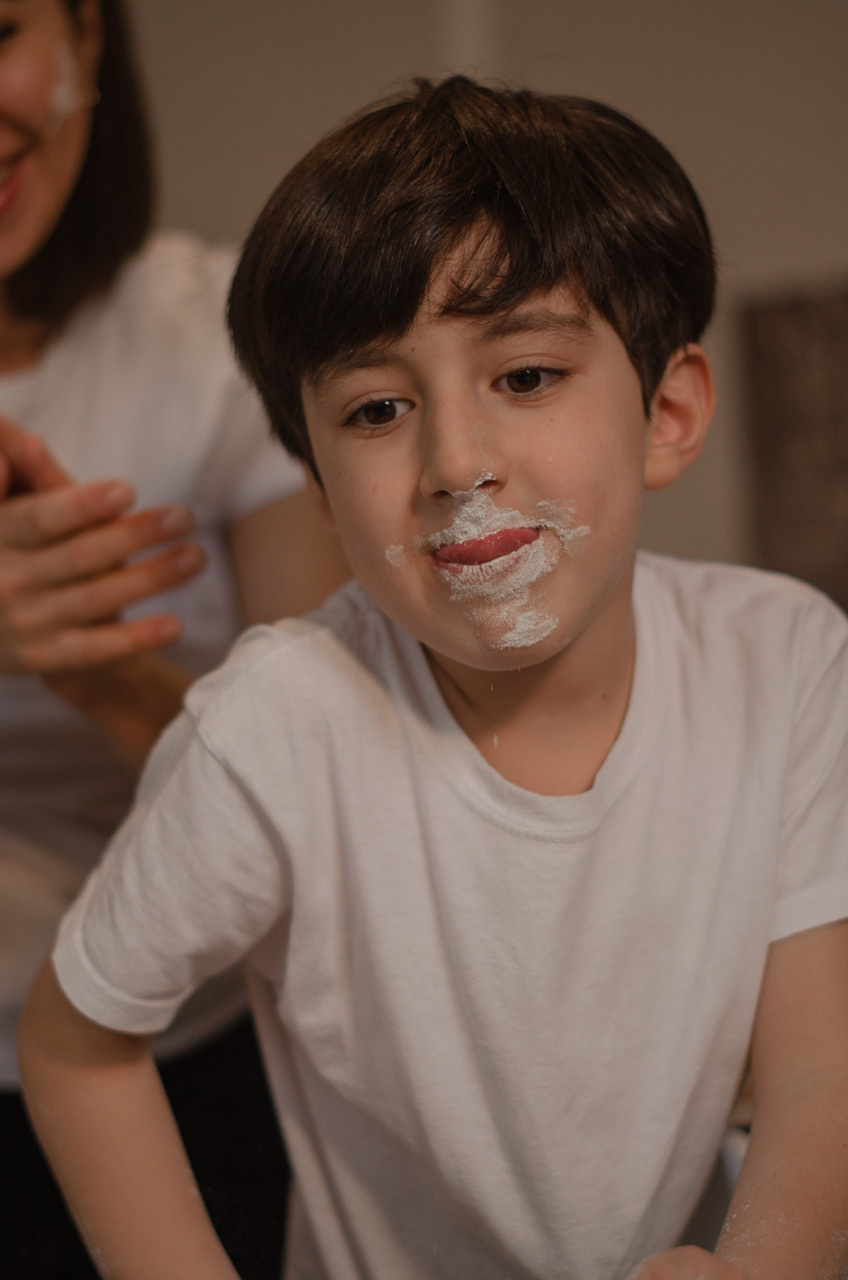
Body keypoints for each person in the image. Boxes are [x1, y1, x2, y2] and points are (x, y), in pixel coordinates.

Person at [18, 76, 848, 1280]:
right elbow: (73, 1039)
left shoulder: (783, 658)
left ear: (666, 411)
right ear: (316, 486)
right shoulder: (274, 729)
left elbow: (815, 1058)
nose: (456, 461)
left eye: (526, 377)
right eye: (375, 409)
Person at [0, 1, 345, 1277]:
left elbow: (328, 802)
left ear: (86, 38)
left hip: (186, 1041)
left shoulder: (218, 338)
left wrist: (93, 666)